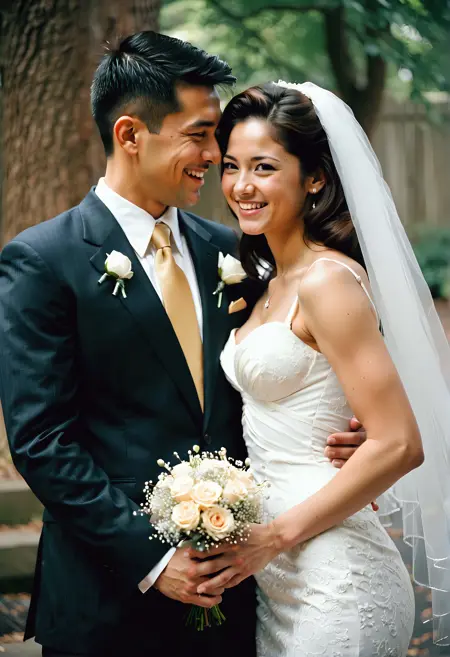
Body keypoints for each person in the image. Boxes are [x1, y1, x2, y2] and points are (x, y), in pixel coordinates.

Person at [0, 36, 364, 657]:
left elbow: (279, 369)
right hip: (106, 599)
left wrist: (344, 433)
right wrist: (153, 558)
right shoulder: (42, 261)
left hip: (238, 592)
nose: (215, 156)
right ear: (129, 134)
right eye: (198, 135)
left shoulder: (232, 250)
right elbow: (41, 440)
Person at [194, 82, 450, 656]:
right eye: (232, 166)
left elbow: (400, 443)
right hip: (276, 579)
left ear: (314, 178)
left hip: (336, 576)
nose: (241, 185)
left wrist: (273, 536)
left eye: (264, 167)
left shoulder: (327, 281)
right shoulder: (266, 282)